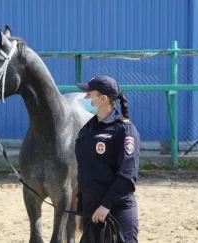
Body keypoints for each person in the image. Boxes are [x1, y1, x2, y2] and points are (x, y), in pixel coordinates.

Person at [75, 75, 140, 243]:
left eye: (89, 94)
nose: (85, 97)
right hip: (92, 212)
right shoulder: (87, 129)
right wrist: (81, 210)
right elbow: (84, 173)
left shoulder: (124, 130)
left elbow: (127, 176)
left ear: (102, 98)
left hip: (116, 212)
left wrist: (106, 205)